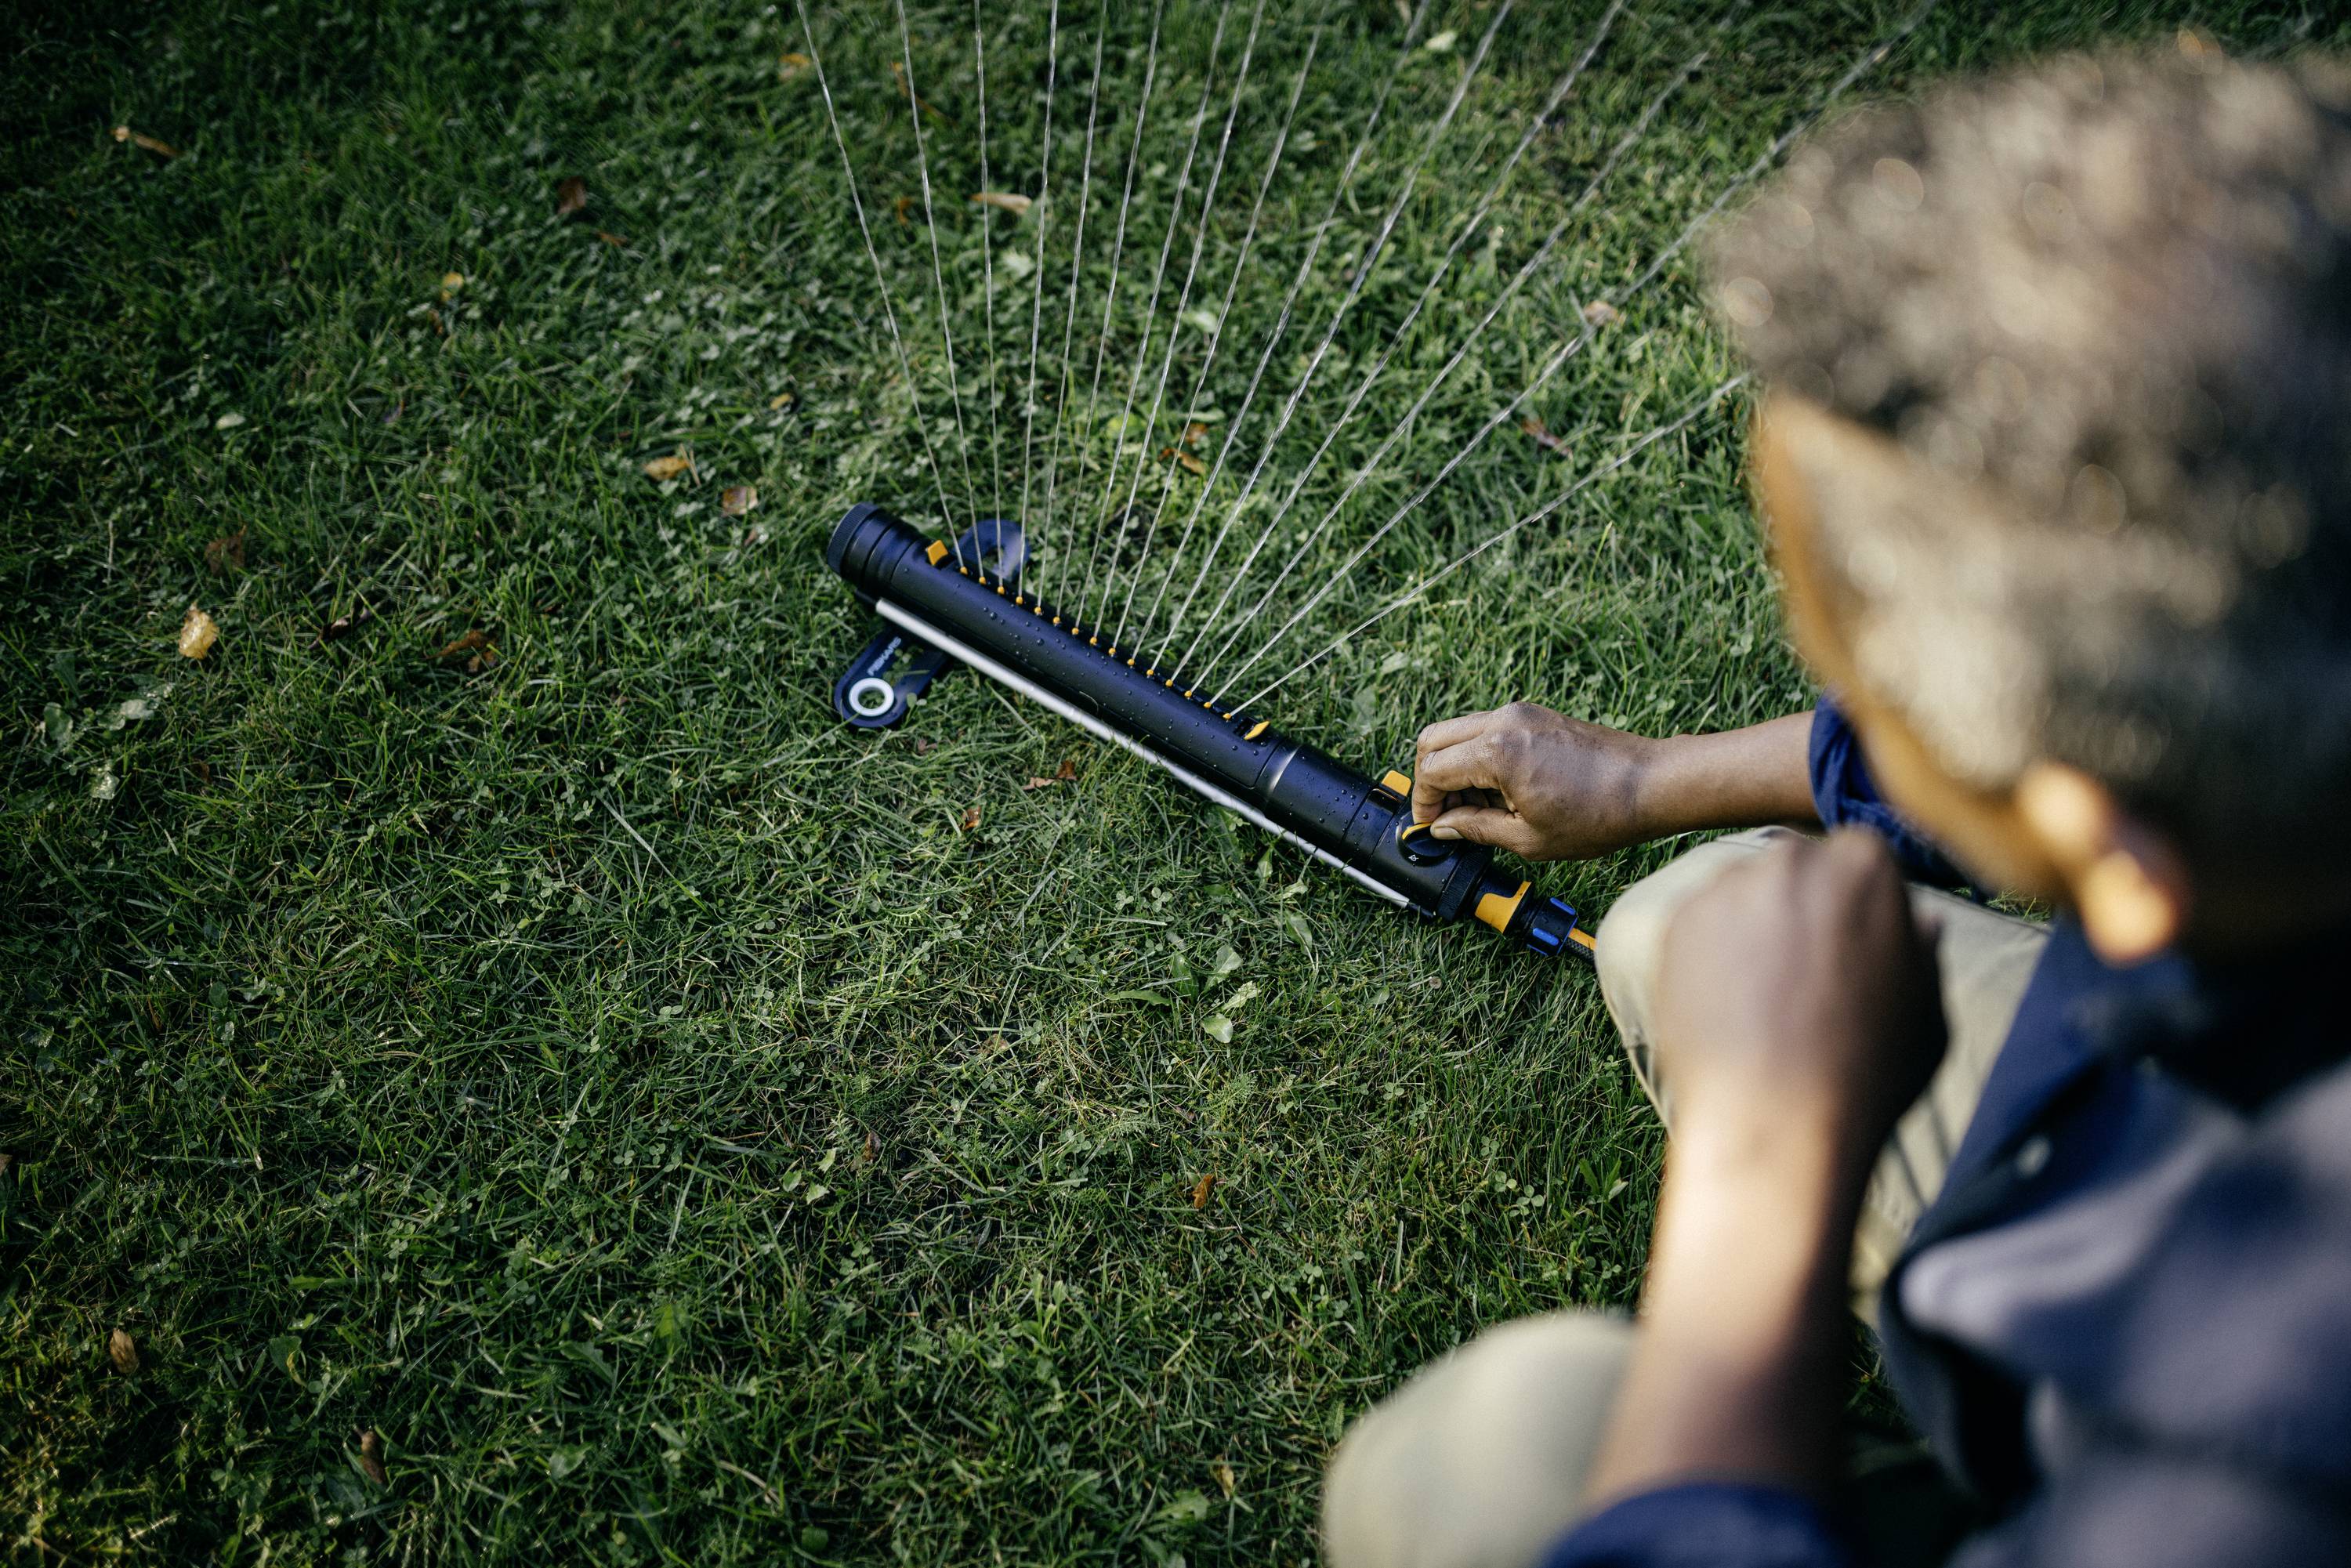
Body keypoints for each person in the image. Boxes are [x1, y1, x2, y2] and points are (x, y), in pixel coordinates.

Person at [1324, 44, 2351, 1568]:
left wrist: (1765, 1162)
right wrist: (1647, 782)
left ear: (2117, 849)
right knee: (1681, 920)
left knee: (1483, 1474)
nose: (1857, 712)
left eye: (1872, 689)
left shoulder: (2226, 1499)